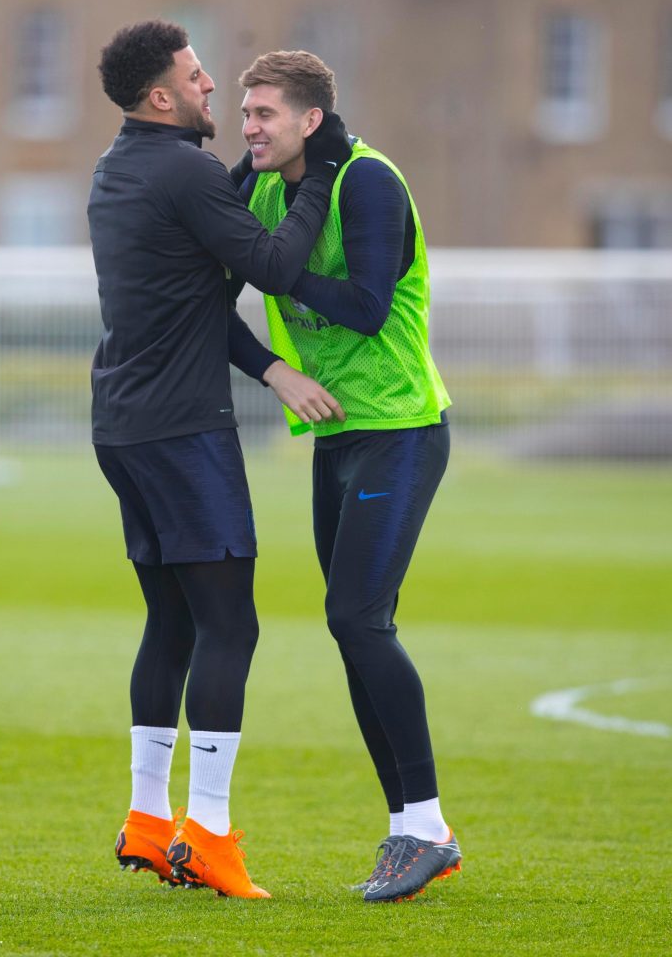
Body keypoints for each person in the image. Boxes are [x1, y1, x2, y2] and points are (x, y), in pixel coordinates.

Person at [87, 22, 351, 900]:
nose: (215, 94)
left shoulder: (120, 168)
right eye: (199, 79)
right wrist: (316, 165)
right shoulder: (189, 173)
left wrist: (272, 370)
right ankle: (207, 836)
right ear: (162, 96)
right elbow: (274, 265)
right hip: (182, 435)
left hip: (123, 428)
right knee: (230, 626)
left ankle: (147, 819)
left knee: (171, 624)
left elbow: (195, 291)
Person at [232, 50, 461, 903]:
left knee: (358, 620)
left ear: (308, 122)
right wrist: (272, 371)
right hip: (337, 436)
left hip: (400, 427)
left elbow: (366, 305)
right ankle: (417, 828)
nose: (247, 126)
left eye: (263, 114)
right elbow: (203, 298)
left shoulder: (367, 182)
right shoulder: (256, 184)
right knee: (353, 627)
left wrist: (269, 268)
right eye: (245, 112)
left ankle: (423, 826)